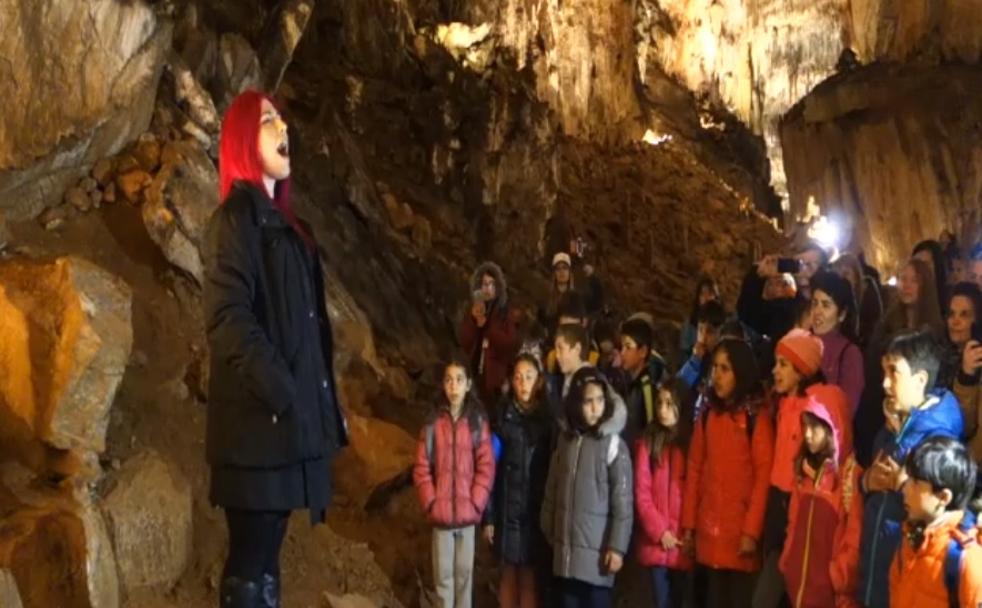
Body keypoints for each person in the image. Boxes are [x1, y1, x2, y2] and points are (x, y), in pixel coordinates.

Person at [203, 90, 349, 608]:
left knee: (264, 566)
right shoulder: (236, 221)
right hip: (258, 433)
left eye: (283, 118)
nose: (283, 126)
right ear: (244, 137)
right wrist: (284, 392)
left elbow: (307, 334)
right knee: (251, 566)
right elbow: (227, 319)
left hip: (280, 433)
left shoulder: (286, 229)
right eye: (268, 120)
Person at [856, 330, 964, 608]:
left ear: (920, 380)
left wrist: (905, 485)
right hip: (874, 574)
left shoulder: (939, 443)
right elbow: (871, 485)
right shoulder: (892, 425)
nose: (885, 383)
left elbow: (943, 516)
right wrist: (866, 482)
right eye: (883, 371)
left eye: (894, 372)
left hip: (910, 584)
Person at [755, 329, 850, 608]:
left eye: (783, 364)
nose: (775, 371)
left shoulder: (817, 404)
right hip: (779, 500)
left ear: (802, 369)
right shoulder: (783, 404)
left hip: (802, 500)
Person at [681, 339, 775, 608]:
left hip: (739, 541)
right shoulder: (708, 415)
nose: (717, 376)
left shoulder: (756, 419)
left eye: (725, 369)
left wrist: (751, 533)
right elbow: (695, 468)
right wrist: (689, 526)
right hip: (708, 536)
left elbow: (762, 478)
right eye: (715, 368)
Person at [541, 367, 633, 608]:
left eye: (600, 400)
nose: (595, 408)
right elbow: (553, 488)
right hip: (567, 557)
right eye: (588, 401)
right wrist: (550, 529)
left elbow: (622, 502)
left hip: (598, 562)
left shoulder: (613, 445)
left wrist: (617, 547)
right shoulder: (566, 440)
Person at [414, 360, 496, 608]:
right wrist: (431, 502)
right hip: (441, 518)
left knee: (464, 579)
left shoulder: (476, 423)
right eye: (449, 380)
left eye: (459, 379)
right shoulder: (432, 424)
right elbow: (421, 467)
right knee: (443, 582)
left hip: (467, 516)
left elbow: (486, 465)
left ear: (469, 384)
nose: (454, 386)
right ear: (443, 384)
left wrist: (475, 503)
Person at [855, 258, 944, 465]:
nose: (907, 285)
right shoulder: (886, 325)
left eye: (914, 280)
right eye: (903, 279)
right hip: (881, 404)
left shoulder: (934, 330)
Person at [779, 397, 863, 608]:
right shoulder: (804, 473)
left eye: (815, 426)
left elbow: (854, 536)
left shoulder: (849, 477)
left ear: (834, 427)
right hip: (800, 589)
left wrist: (837, 577)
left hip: (832, 597)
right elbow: (793, 524)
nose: (807, 434)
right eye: (805, 425)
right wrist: (789, 562)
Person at [484, 354, 554, 608]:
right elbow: (490, 468)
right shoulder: (503, 419)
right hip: (507, 510)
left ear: (539, 381)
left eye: (529, 376)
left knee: (529, 577)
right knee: (508, 574)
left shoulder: (548, 422)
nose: (523, 383)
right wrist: (489, 515)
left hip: (535, 512)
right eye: (518, 377)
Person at [889, 437, 982, 608]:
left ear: (943, 497)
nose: (905, 488)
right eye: (908, 478)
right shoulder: (909, 539)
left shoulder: (965, 560)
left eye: (915, 483)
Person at [634, 378, 694, 608]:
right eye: (660, 403)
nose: (662, 410)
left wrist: (689, 532)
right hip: (657, 543)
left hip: (683, 543)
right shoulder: (649, 441)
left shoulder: (691, 442)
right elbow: (642, 492)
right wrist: (660, 531)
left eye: (670, 404)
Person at [459, 261, 519, 409]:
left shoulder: (505, 313)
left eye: (491, 284)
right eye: (484, 284)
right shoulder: (474, 308)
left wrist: (488, 328)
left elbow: (509, 344)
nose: (487, 288)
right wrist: (473, 321)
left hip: (494, 379)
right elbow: (464, 341)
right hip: (474, 373)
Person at [810, 271, 865, 418]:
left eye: (826, 305)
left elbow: (847, 408)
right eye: (815, 303)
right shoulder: (802, 342)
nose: (817, 311)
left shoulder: (849, 354)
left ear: (841, 314)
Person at [619, 317, 668, 445]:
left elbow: (650, 429)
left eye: (628, 347)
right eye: (621, 346)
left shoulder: (647, 388)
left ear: (643, 351)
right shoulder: (626, 381)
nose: (622, 353)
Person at [831, 254, 883, 349]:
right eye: (839, 276)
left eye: (846, 274)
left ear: (856, 274)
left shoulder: (868, 294)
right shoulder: (840, 298)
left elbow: (875, 326)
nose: (843, 279)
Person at [937, 282, 982, 390]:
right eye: (952, 314)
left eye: (964, 315)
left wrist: (967, 377)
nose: (955, 322)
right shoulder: (941, 356)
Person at [678, 300, 727, 390]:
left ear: (721, 333)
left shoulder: (722, 361)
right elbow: (678, 388)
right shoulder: (694, 356)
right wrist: (694, 361)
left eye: (710, 332)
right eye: (700, 330)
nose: (703, 338)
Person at [680, 277, 721, 359]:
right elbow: (684, 350)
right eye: (703, 294)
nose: (706, 298)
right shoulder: (689, 322)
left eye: (710, 294)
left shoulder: (723, 321)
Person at [540, 252, 578, 333]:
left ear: (569, 272)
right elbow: (542, 322)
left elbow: (581, 321)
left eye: (565, 268)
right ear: (554, 273)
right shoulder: (547, 297)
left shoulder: (576, 297)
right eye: (558, 269)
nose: (561, 272)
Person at [912, 240, 949, 313]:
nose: (919, 269)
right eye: (916, 264)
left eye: (925, 264)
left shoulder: (952, 300)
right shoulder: (911, 300)